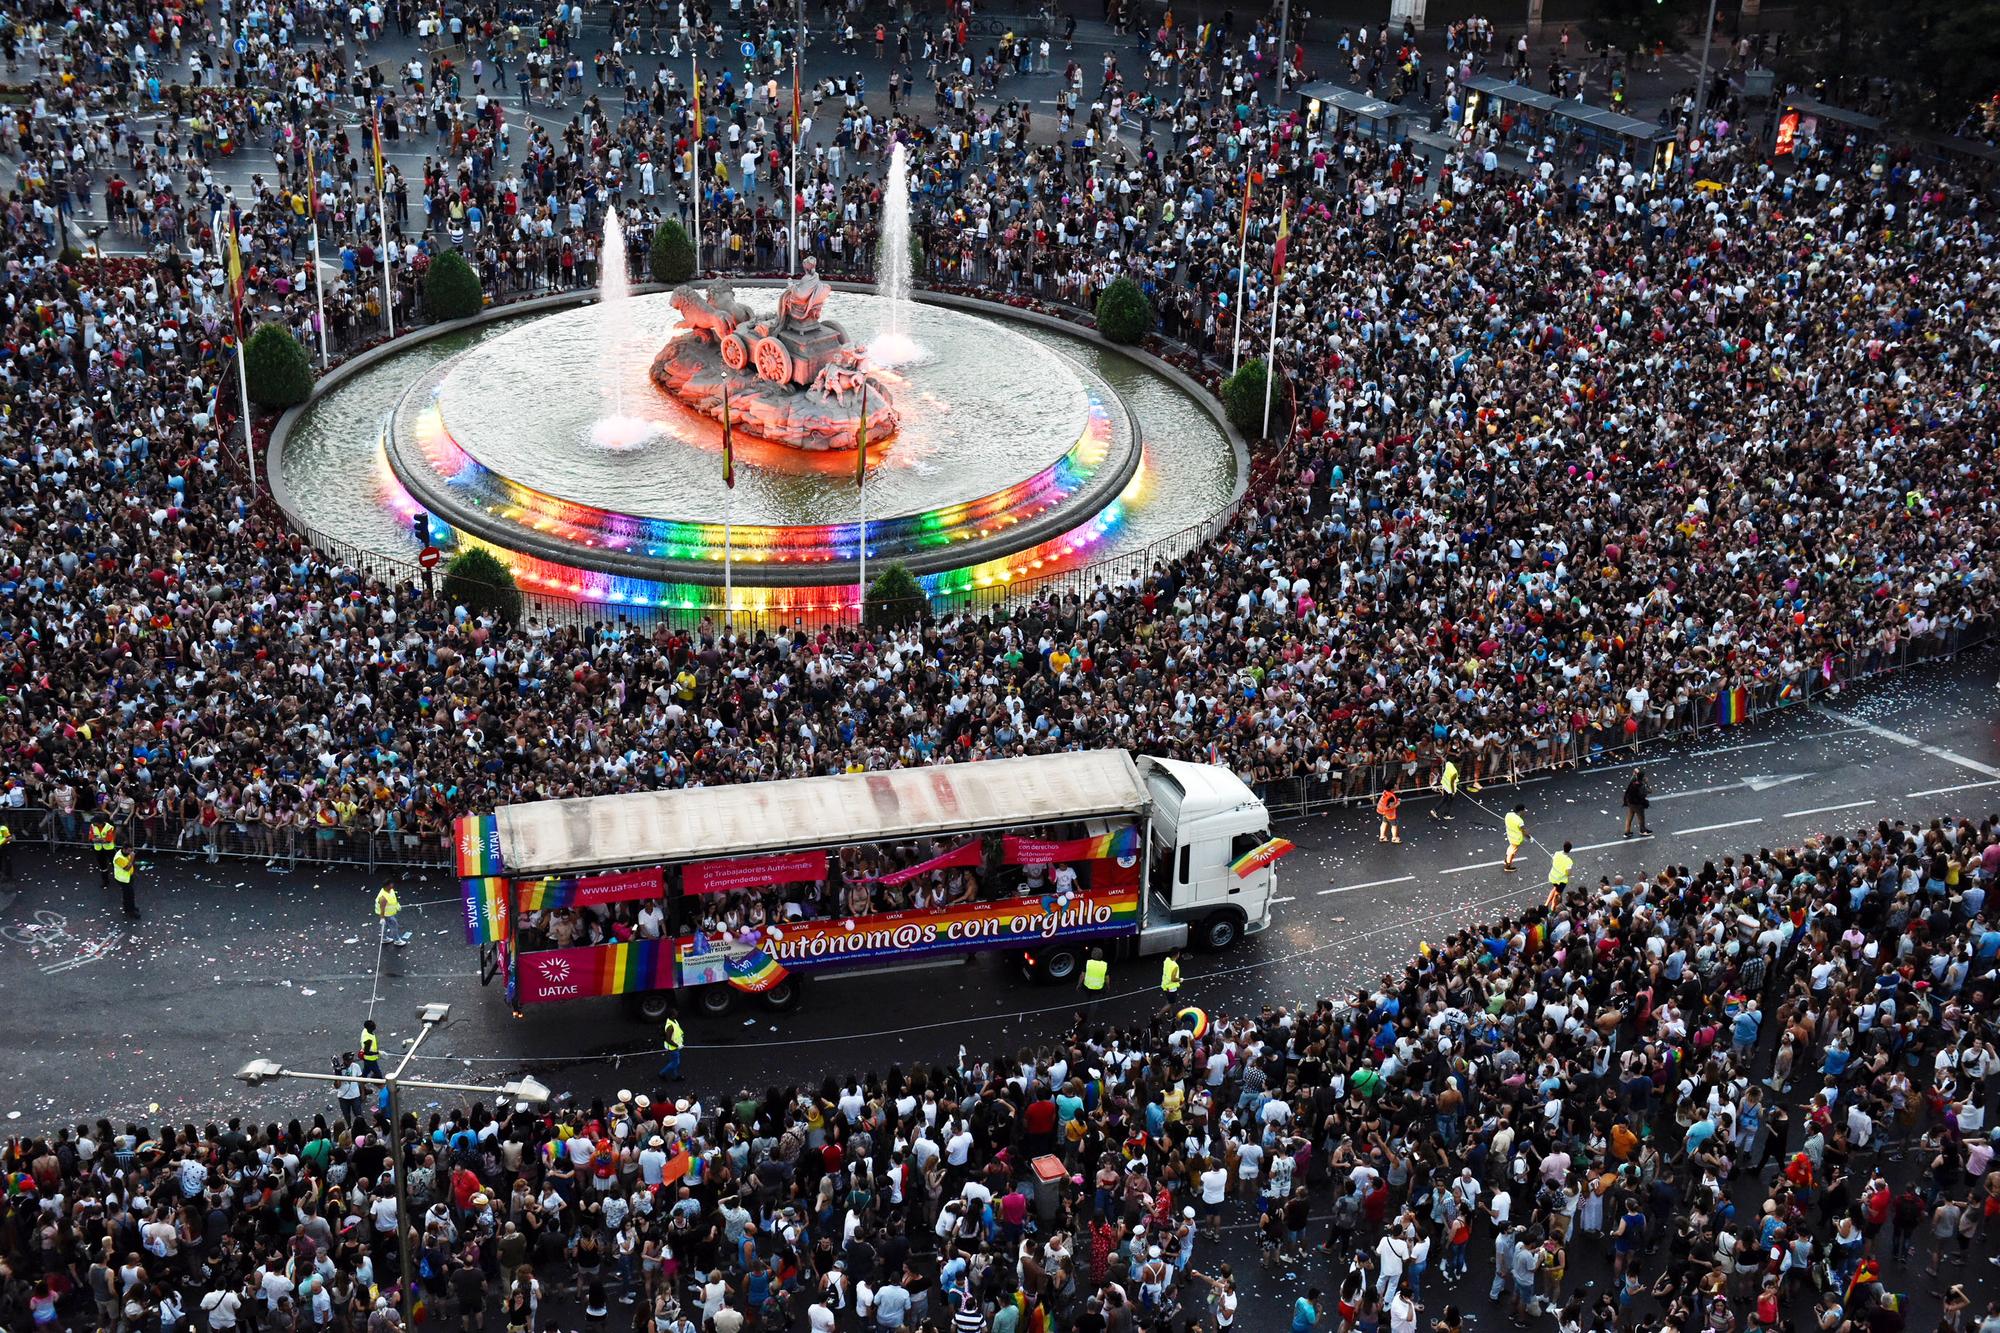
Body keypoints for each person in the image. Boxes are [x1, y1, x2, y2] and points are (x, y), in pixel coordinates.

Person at [376, 882, 411, 946]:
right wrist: (382, 918)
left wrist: (397, 906)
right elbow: (382, 908)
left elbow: (392, 899)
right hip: (387, 914)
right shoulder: (383, 897)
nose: (392, 886)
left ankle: (384, 938)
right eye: (390, 885)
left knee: (385, 925)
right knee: (394, 925)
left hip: (388, 913)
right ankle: (397, 940)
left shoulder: (390, 890)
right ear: (386, 886)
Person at [90, 813, 118, 888]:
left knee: (114, 864)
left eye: (95, 822)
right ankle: (105, 881)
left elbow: (108, 840)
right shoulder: (92, 826)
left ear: (100, 823)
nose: (93, 823)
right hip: (98, 850)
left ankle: (119, 879)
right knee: (102, 866)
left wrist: (97, 840)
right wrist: (102, 840)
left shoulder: (109, 827)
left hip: (109, 849)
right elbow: (91, 838)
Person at [1621, 771, 1651, 837]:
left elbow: (1632, 778)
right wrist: (1646, 783)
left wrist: (1634, 774)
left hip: (1630, 802)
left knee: (1629, 817)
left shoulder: (1633, 781)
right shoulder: (1641, 785)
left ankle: (1627, 832)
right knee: (1641, 818)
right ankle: (1642, 830)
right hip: (1637, 804)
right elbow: (1649, 791)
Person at [1080, 946, 1108, 1016]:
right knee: (1094, 1003)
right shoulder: (1104, 965)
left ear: (1092, 954)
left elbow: (1082, 975)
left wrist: (1079, 984)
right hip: (1098, 988)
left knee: (1087, 999)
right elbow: (1107, 978)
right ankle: (1091, 1017)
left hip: (1087, 986)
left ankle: (1084, 1014)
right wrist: (1108, 986)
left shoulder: (1088, 963)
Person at [1431, 757, 1461, 822]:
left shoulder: (1449, 764)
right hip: (1450, 789)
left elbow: (1445, 762)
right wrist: (1453, 792)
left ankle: (1434, 810)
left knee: (1444, 799)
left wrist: (1443, 758)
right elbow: (1452, 782)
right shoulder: (1455, 772)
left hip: (1445, 785)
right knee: (1449, 802)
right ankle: (1446, 815)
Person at [112, 847, 139, 918]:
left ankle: (127, 907)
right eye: (129, 851)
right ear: (124, 849)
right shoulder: (119, 858)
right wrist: (132, 858)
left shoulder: (124, 853)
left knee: (126, 894)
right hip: (123, 879)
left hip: (127, 877)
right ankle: (131, 911)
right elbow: (127, 868)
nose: (130, 853)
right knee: (130, 895)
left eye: (131, 851)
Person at [659, 1013, 686, 1081]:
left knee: (674, 1061)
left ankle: (675, 1076)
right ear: (671, 1015)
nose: (677, 1014)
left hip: (675, 1047)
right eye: (675, 1013)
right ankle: (662, 1073)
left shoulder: (674, 1021)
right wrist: (678, 1045)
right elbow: (668, 1039)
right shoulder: (670, 1026)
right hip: (673, 1048)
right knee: (675, 1062)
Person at [1502, 806, 1526, 872]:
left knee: (1510, 848)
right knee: (1512, 853)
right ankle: (1507, 866)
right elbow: (1523, 831)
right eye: (1524, 810)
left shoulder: (1508, 814)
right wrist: (1529, 837)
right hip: (1516, 839)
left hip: (1510, 836)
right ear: (1521, 811)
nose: (1525, 811)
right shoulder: (1520, 821)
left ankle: (1506, 860)